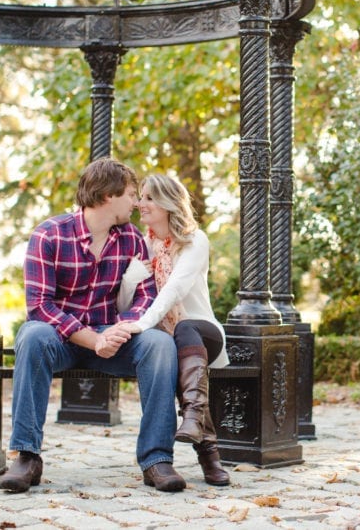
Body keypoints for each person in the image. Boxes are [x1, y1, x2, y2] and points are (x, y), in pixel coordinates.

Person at [0, 158, 186, 493]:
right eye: (131, 194)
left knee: (159, 345)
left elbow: (146, 297)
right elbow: (39, 306)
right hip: (62, 339)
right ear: (107, 196)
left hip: (112, 337)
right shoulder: (49, 235)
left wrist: (121, 330)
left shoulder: (132, 239)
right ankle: (26, 455)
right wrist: (92, 339)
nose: (136, 202)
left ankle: (157, 459)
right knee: (32, 335)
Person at [124, 173, 231, 486]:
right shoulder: (142, 245)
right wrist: (130, 280)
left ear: (169, 203)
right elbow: (123, 302)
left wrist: (142, 324)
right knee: (173, 354)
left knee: (183, 330)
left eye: (148, 198)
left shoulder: (194, 240)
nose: (140, 204)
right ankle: (208, 453)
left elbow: (175, 288)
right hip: (168, 340)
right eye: (140, 197)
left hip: (203, 331)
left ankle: (194, 419)